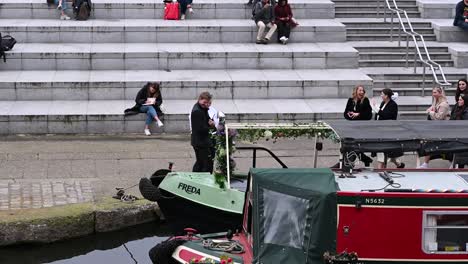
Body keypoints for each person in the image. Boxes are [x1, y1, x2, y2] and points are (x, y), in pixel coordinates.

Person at [371, 88, 405, 169]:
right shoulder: (383, 103)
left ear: (386, 96)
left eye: (382, 94)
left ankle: (380, 168)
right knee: (388, 152)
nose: (381, 95)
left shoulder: (393, 105)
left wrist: (375, 106)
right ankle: (398, 164)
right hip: (380, 130)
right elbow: (378, 115)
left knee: (382, 149)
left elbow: (386, 116)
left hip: (387, 131)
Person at [418, 87, 450, 169]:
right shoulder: (435, 101)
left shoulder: (444, 104)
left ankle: (452, 161)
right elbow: (431, 108)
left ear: (440, 93)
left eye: (435, 92)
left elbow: (439, 117)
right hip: (434, 127)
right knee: (428, 143)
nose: (433, 94)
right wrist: (430, 110)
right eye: (433, 92)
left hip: (441, 129)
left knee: (445, 146)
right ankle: (425, 163)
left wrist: (431, 112)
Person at [343, 85, 373, 166]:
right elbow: (345, 113)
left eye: (363, 91)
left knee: (356, 146)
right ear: (356, 91)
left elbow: (369, 115)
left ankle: (349, 163)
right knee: (351, 145)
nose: (361, 92)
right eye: (360, 90)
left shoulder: (365, 101)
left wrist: (358, 114)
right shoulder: (350, 100)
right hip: (352, 127)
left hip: (361, 128)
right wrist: (349, 114)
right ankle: (365, 159)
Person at [191, 92, 216, 173]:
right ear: (199, 99)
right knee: (204, 163)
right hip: (200, 142)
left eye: (208, 103)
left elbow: (207, 119)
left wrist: (211, 122)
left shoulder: (202, 108)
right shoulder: (197, 111)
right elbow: (200, 129)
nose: (206, 104)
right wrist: (210, 126)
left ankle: (196, 177)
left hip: (202, 141)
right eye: (204, 102)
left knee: (201, 162)